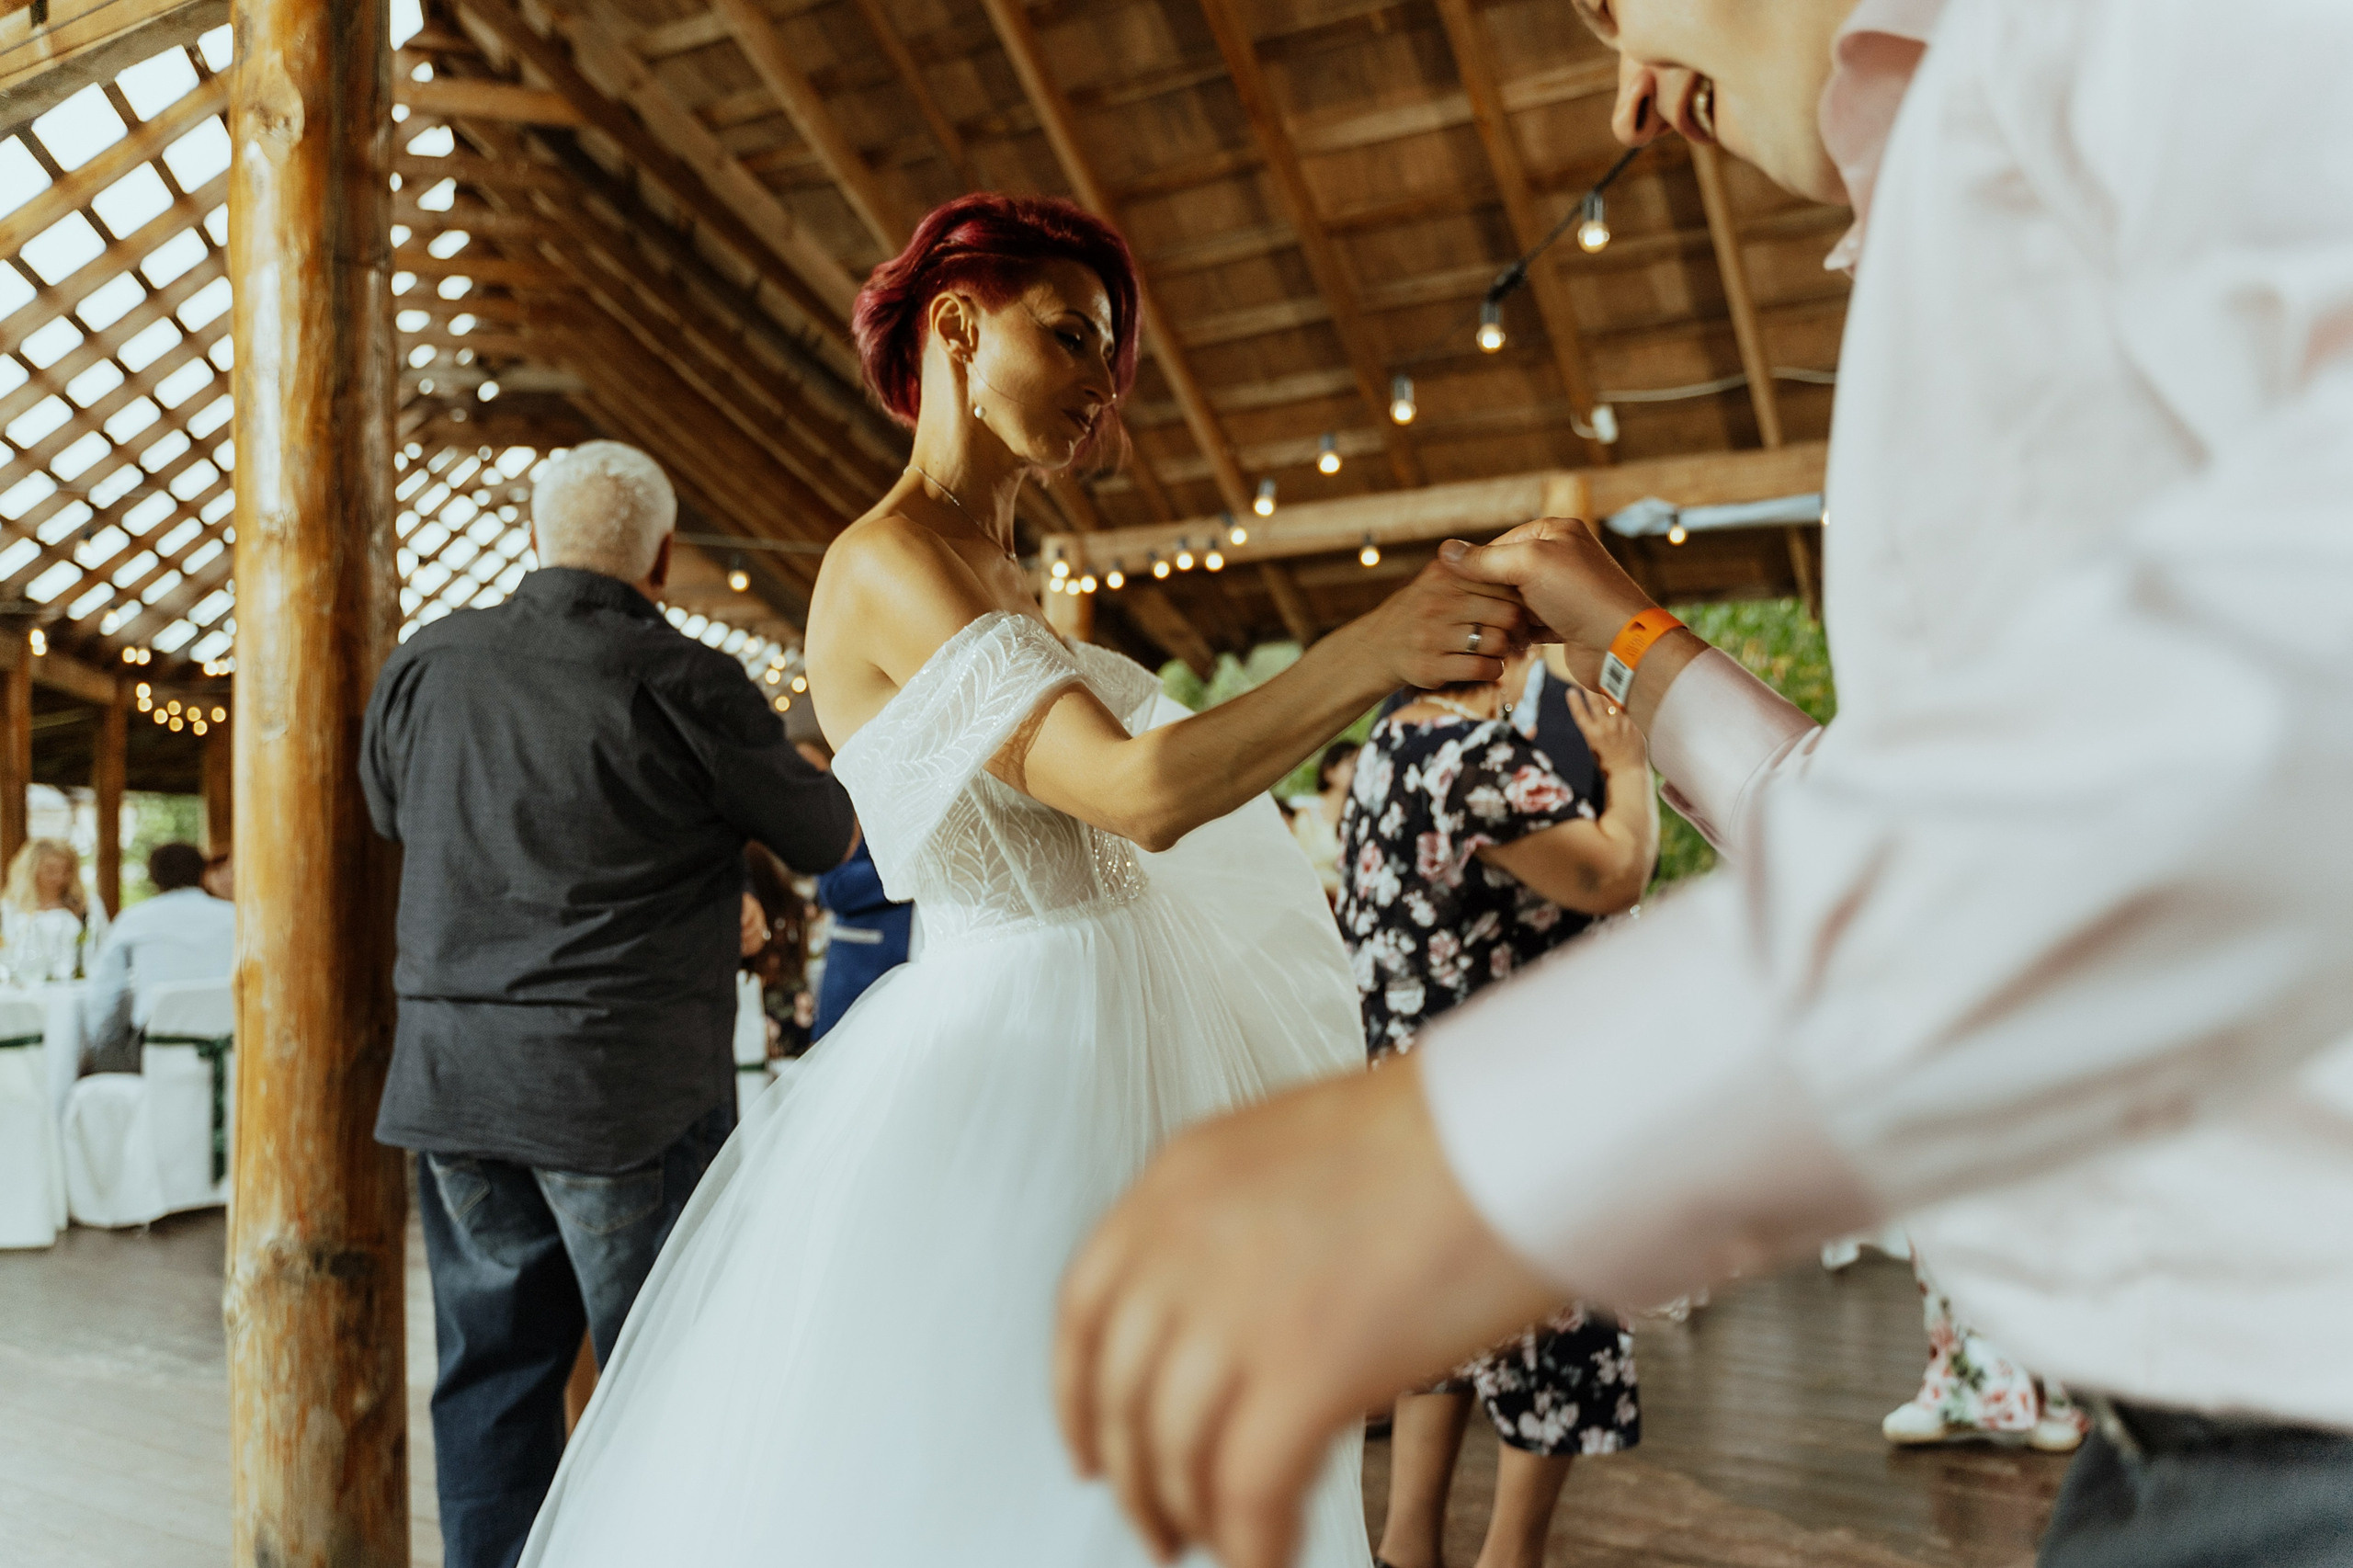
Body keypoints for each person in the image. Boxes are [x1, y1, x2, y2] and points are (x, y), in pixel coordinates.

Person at [1051, 6, 2353, 1568]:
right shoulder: (1954, 162)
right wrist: (1634, 643)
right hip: (2179, 1434)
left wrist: (1489, 1145)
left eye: (1614, 5)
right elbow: (1894, 821)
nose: (1632, 97)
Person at [516, 191, 1520, 1568]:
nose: (1105, 385)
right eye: (1074, 337)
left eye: (1112, 355)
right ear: (955, 327)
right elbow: (1134, 791)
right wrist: (1371, 649)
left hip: (1135, 1032)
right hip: (1020, 1054)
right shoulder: (882, 564)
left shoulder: (1006, 571)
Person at [360, 439, 857, 1568]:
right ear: (664, 557)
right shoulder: (690, 679)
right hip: (621, 1093)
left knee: (488, 1378)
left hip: (457, 1084)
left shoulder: (427, 665)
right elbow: (827, 835)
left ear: (535, 537)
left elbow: (394, 812)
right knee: (665, 1383)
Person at [1340, 649, 1654, 1568]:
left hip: (1412, 1087)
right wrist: (1628, 768)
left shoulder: (1387, 745)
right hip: (1509, 1087)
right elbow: (1614, 874)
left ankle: (1406, 1548)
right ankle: (1506, 1557)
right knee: (1554, 1330)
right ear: (1511, 652)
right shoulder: (1479, 755)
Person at [79, 842, 231, 1074]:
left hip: (156, 1049)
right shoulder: (235, 917)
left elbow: (104, 993)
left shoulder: (134, 920)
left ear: (153, 877)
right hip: (231, 1044)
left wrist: (97, 1044)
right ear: (203, 872)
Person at [2, 837, 107, 984]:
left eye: (65, 870)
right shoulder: (9, 908)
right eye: (50, 870)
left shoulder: (88, 906)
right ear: (32, 870)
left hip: (75, 989)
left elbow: (103, 947)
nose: (59, 877)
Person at [1287, 740, 1358, 899]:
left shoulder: (1361, 816)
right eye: (1351, 764)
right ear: (1329, 771)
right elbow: (1302, 865)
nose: (1358, 771)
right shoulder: (1305, 811)